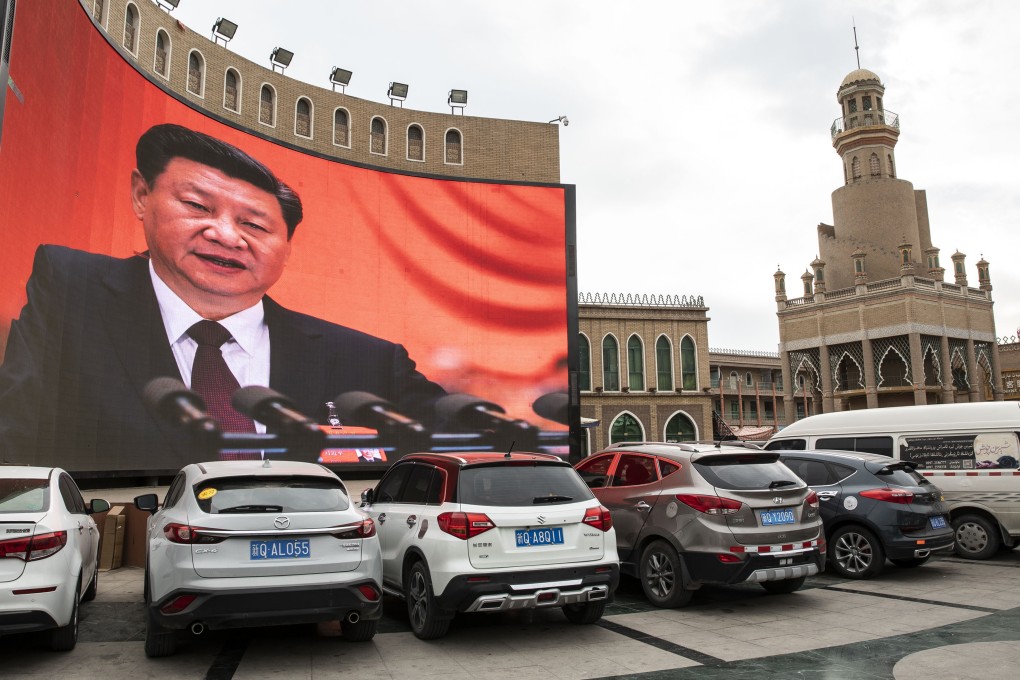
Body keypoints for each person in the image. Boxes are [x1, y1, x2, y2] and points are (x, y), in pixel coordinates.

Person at [0, 124, 445, 472]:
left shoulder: (364, 360)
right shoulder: (72, 291)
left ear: (287, 249)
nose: (226, 236)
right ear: (142, 195)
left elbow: (468, 440)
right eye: (198, 206)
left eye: (255, 225)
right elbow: (14, 431)